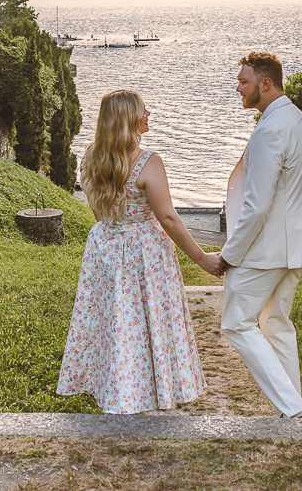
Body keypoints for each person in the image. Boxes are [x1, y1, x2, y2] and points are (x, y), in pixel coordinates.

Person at [56, 89, 217, 414]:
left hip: (106, 245)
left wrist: (116, 231)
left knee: (117, 320)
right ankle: (150, 389)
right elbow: (168, 217)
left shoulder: (92, 157)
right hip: (145, 250)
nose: (149, 115)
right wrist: (202, 259)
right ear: (130, 119)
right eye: (144, 111)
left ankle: (118, 390)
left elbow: (99, 213)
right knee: (150, 319)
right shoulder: (148, 161)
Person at [212, 52, 302, 419]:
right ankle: (292, 412)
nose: (238, 88)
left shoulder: (270, 129)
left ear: (265, 83)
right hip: (296, 246)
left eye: (243, 81)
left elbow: (257, 206)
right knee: (275, 324)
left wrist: (229, 254)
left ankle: (292, 409)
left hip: (266, 250)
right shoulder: (298, 120)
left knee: (235, 322)